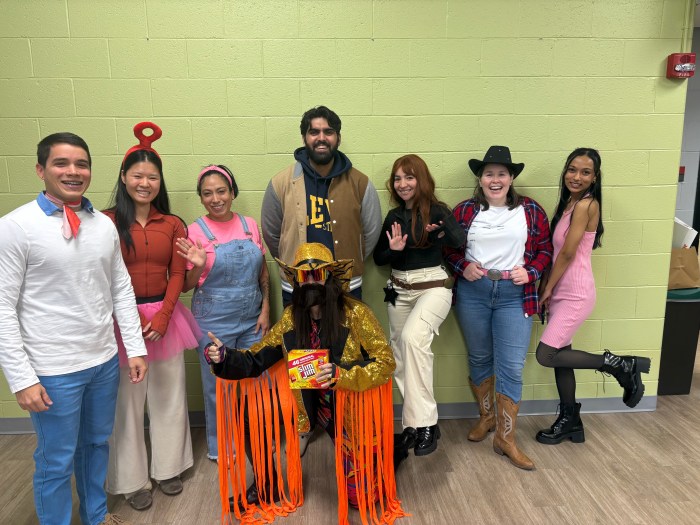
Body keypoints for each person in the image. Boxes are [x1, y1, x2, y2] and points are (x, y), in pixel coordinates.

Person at [0, 132, 148, 525]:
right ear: (41, 170)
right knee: (56, 461)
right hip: (52, 370)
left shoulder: (102, 225)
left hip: (103, 361)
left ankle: (96, 517)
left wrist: (134, 347)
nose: (73, 171)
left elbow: (120, 288)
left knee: (96, 445)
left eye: (82, 164)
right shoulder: (16, 227)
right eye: (61, 163)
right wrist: (22, 379)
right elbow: (2, 309)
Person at [205, 243, 405, 525]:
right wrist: (224, 357)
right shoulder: (291, 318)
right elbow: (256, 358)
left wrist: (341, 374)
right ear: (296, 281)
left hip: (347, 410)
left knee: (361, 499)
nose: (310, 281)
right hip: (305, 404)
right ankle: (267, 484)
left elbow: (385, 362)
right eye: (303, 275)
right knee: (245, 410)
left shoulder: (356, 314)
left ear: (330, 277)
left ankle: (389, 452)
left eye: (317, 274)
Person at [104, 122, 200, 510]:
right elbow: (102, 277)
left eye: (153, 177)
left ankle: (169, 469)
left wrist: (163, 316)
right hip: (121, 322)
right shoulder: (105, 222)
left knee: (169, 396)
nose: (145, 183)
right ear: (124, 177)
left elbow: (178, 273)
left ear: (160, 182)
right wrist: (129, 319)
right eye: (138, 175)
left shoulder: (173, 224)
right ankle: (131, 481)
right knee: (126, 405)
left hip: (165, 318)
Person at [445, 145, 552, 470]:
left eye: (501, 174)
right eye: (488, 174)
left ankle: (506, 438)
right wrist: (463, 266)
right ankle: (487, 417)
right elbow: (447, 249)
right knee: (479, 357)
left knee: (511, 366)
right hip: (473, 292)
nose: (495, 180)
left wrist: (531, 272)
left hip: (515, 294)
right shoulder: (464, 211)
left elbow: (545, 250)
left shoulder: (530, 210)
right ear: (480, 179)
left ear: (511, 178)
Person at [534, 148, 651, 445]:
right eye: (572, 169)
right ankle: (570, 421)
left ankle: (619, 365)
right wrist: (547, 286)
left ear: (595, 178)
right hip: (561, 291)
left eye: (585, 172)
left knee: (546, 355)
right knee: (561, 358)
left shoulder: (587, 204)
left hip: (575, 293)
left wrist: (546, 289)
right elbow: (555, 253)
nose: (577, 176)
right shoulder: (569, 204)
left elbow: (568, 253)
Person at [176, 164, 271, 462]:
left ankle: (259, 439)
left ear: (232, 192)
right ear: (201, 198)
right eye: (207, 194)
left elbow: (262, 271)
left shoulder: (249, 225)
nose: (215, 199)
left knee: (258, 379)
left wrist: (266, 308)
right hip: (213, 320)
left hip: (253, 318)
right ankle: (223, 446)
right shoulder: (194, 231)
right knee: (219, 386)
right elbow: (186, 285)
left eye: (221, 191)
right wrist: (198, 266)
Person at [373, 154, 465, 457]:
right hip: (399, 288)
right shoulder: (393, 216)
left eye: (409, 177)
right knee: (400, 354)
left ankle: (426, 423)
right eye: (397, 178)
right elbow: (379, 259)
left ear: (421, 180)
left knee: (414, 340)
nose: (402, 184)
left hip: (433, 287)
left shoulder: (438, 210)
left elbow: (459, 241)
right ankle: (414, 425)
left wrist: (442, 229)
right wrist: (394, 250)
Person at [261, 105, 382, 305]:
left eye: (328, 132)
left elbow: (370, 232)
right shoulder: (280, 183)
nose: (321, 138)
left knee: (345, 329)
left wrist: (352, 257)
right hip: (298, 285)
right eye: (314, 132)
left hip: (346, 286)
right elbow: (272, 234)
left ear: (338, 138)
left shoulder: (360, 183)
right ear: (304, 138)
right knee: (299, 329)